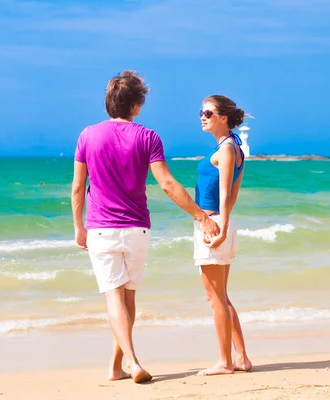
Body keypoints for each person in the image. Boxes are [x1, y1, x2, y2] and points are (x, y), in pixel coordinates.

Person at [71, 70, 219, 383]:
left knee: (114, 297)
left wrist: (78, 227)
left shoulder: (87, 135)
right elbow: (166, 183)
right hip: (137, 228)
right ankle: (116, 367)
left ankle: (133, 362)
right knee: (128, 298)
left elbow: (77, 187)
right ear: (136, 105)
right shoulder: (147, 137)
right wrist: (201, 215)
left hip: (100, 228)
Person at [193, 95, 253, 376]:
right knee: (222, 296)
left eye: (208, 112)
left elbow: (228, 193)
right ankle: (241, 357)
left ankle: (224, 362)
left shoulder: (228, 149)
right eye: (201, 112)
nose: (202, 117)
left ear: (223, 117)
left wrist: (220, 228)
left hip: (213, 225)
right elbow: (233, 194)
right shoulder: (233, 147)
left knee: (214, 298)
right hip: (218, 223)